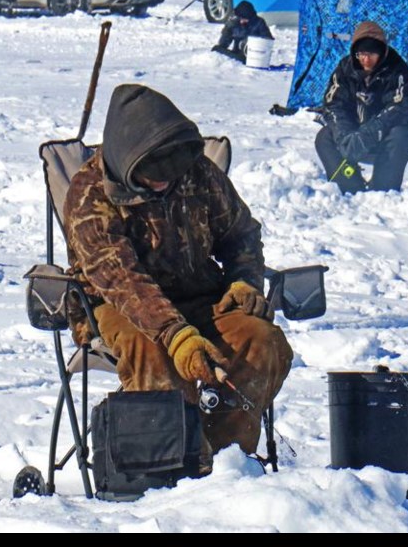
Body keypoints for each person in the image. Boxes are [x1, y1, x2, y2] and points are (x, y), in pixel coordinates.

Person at [63, 83, 293, 460]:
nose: (166, 180)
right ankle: (167, 466)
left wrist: (244, 280)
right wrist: (176, 334)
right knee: (151, 351)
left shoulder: (197, 172)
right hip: (117, 307)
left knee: (261, 339)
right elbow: (121, 280)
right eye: (154, 175)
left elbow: (241, 233)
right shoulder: (89, 194)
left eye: (171, 171)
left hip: (200, 296)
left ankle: (227, 460)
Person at [314, 21, 408, 194]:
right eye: (361, 54)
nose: (365, 59)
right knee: (325, 136)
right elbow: (333, 104)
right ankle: (350, 187)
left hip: (388, 134)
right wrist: (345, 134)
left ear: (382, 52)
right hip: (354, 132)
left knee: (400, 135)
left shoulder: (397, 70)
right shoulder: (345, 69)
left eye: (371, 54)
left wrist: (371, 131)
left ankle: (383, 191)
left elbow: (403, 107)